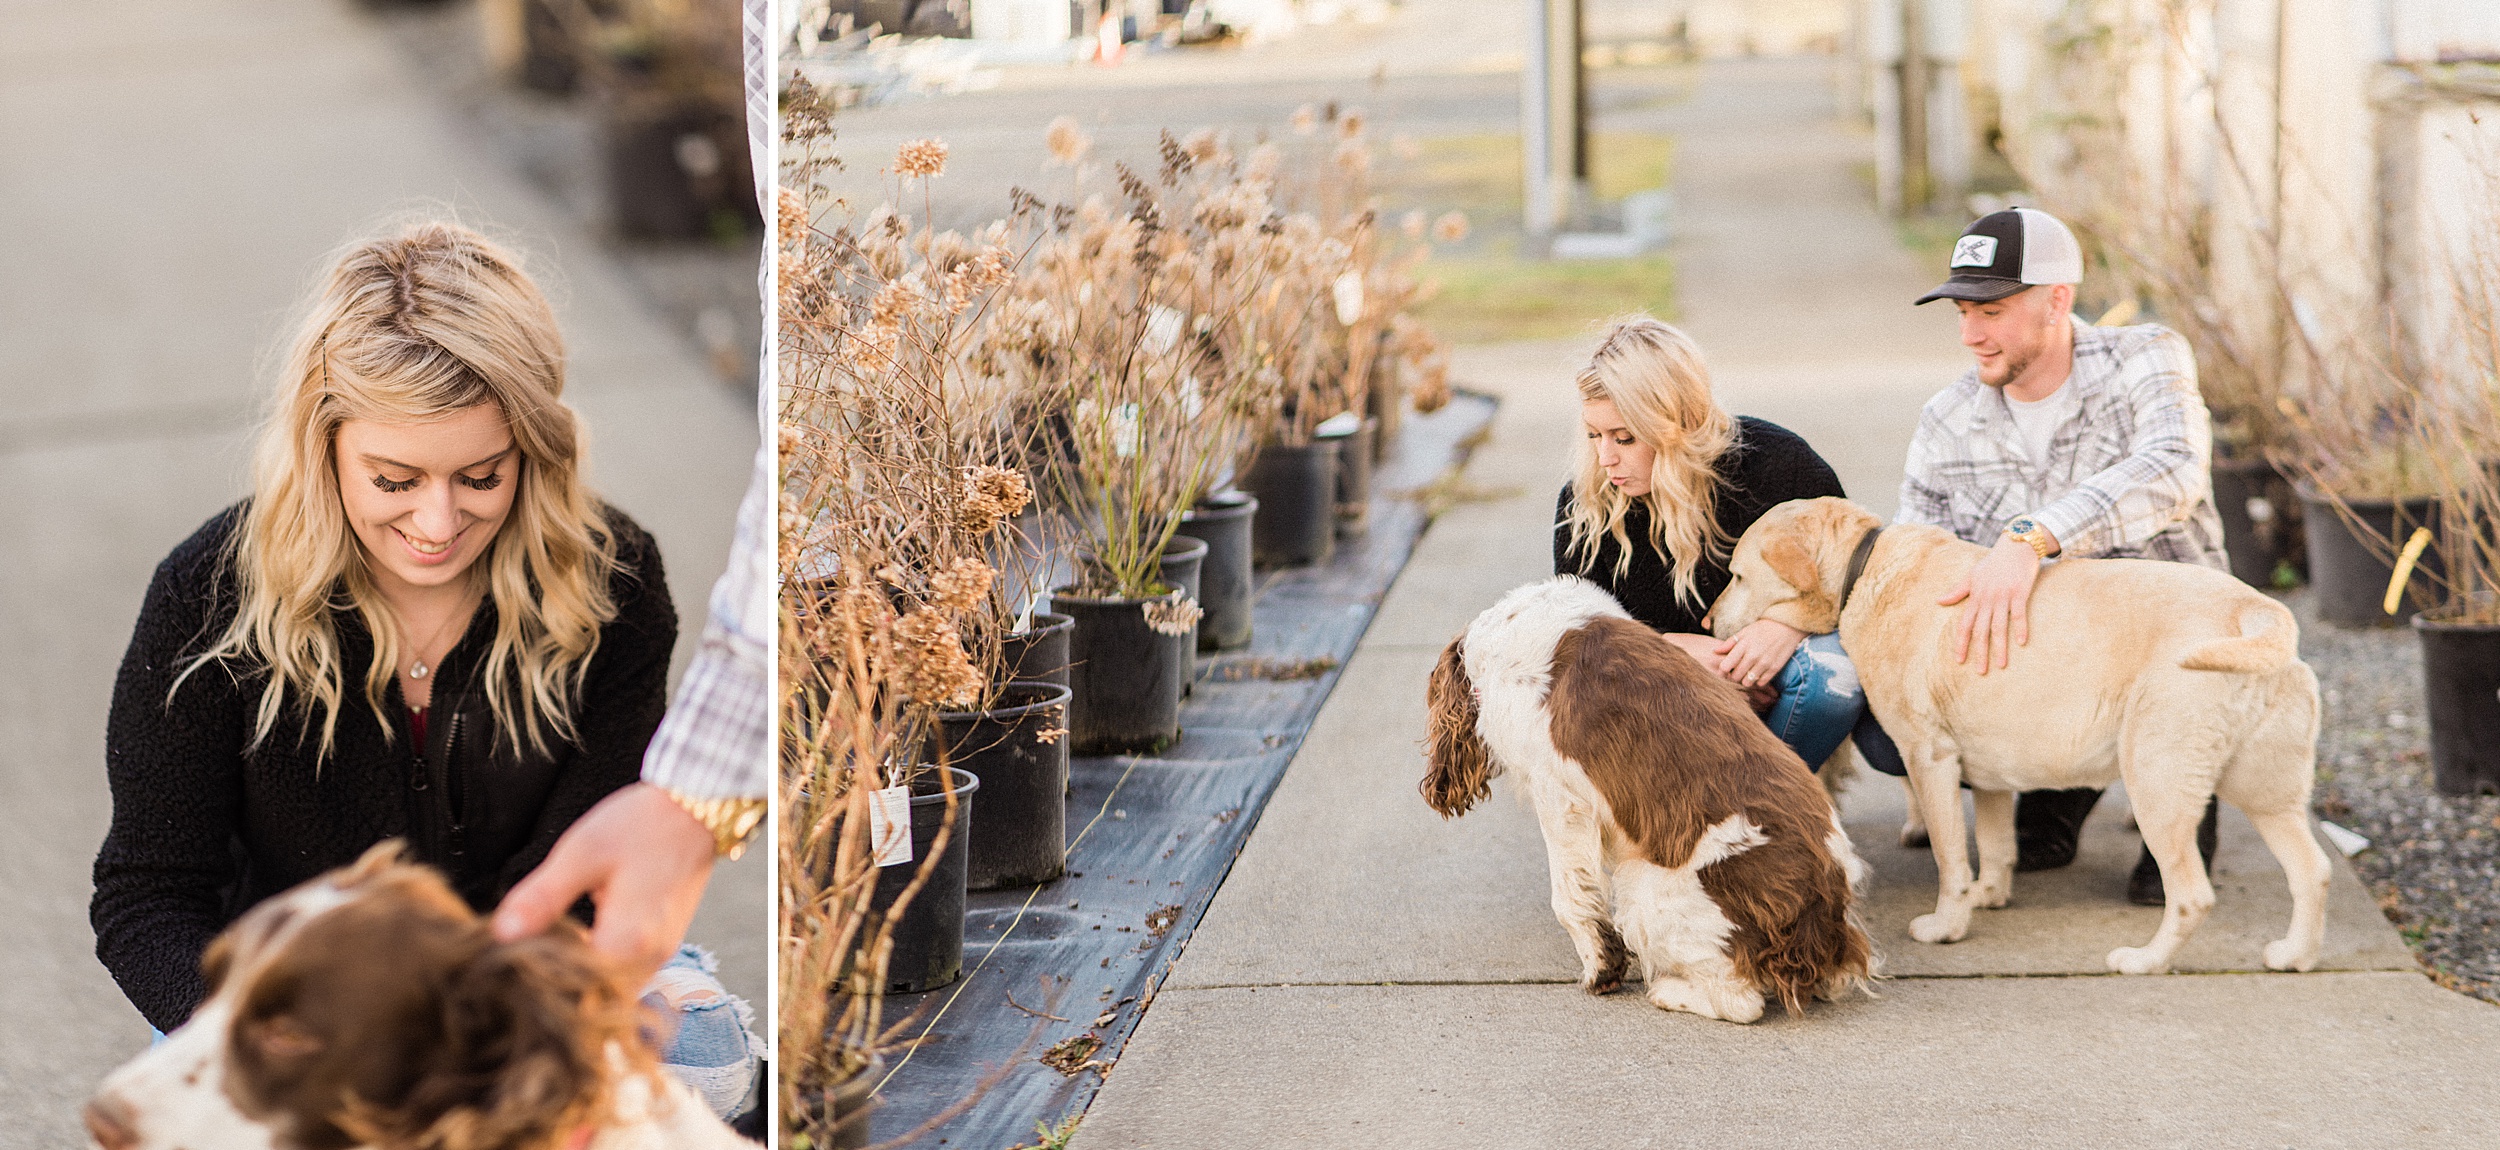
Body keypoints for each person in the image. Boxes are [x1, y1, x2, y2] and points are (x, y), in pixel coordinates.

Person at [89, 221, 758, 1118]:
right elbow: (148, 895)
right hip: (296, 999)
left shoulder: (611, 579)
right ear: (324, 447)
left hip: (526, 974)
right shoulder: (208, 594)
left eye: (480, 476)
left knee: (709, 1066)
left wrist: (449, 1055)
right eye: (395, 481)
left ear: (533, 448)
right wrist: (277, 1037)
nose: (438, 524)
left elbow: (577, 891)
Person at [1901, 206, 2230, 904]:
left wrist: (2032, 538)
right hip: (2043, 662)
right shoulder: (1946, 420)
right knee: (1885, 731)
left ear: (2059, 299)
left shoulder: (2146, 356)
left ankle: (2174, 796)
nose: (1970, 335)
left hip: (2168, 648)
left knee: (2164, 883)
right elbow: (1916, 550)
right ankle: (2065, 776)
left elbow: (2174, 466)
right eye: (1962, 310)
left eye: (1991, 310)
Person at [1554, 316, 1885, 770]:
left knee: (1832, 676)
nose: (1605, 457)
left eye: (1625, 438)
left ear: (1680, 423)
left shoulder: (1779, 465)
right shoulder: (1585, 503)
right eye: (1594, 435)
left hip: (1777, 676)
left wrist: (1785, 627)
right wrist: (1678, 651)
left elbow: (1855, 575)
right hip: (1656, 691)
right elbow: (1577, 635)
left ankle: (1773, 808)